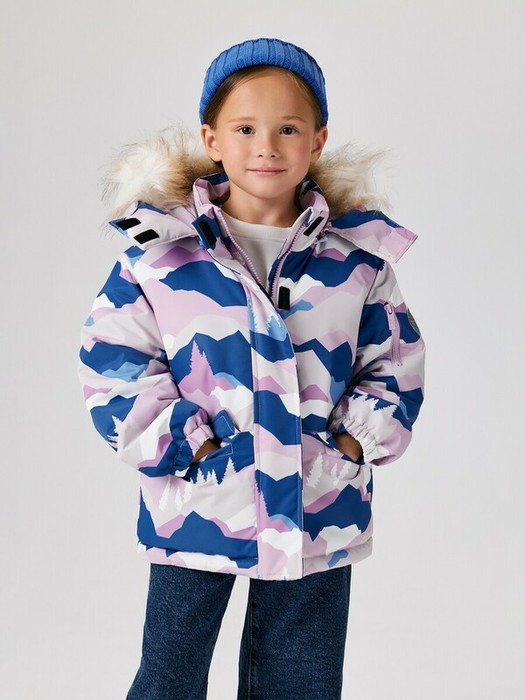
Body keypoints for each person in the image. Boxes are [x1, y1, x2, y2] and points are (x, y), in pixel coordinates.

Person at [78, 37, 425, 700]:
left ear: (317, 141)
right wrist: (189, 445)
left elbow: (395, 358)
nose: (266, 146)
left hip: (319, 502)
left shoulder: (354, 261)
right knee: (170, 675)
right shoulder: (162, 255)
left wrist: (352, 442)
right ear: (211, 139)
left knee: (302, 679)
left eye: (287, 129)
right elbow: (114, 359)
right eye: (245, 129)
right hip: (198, 503)